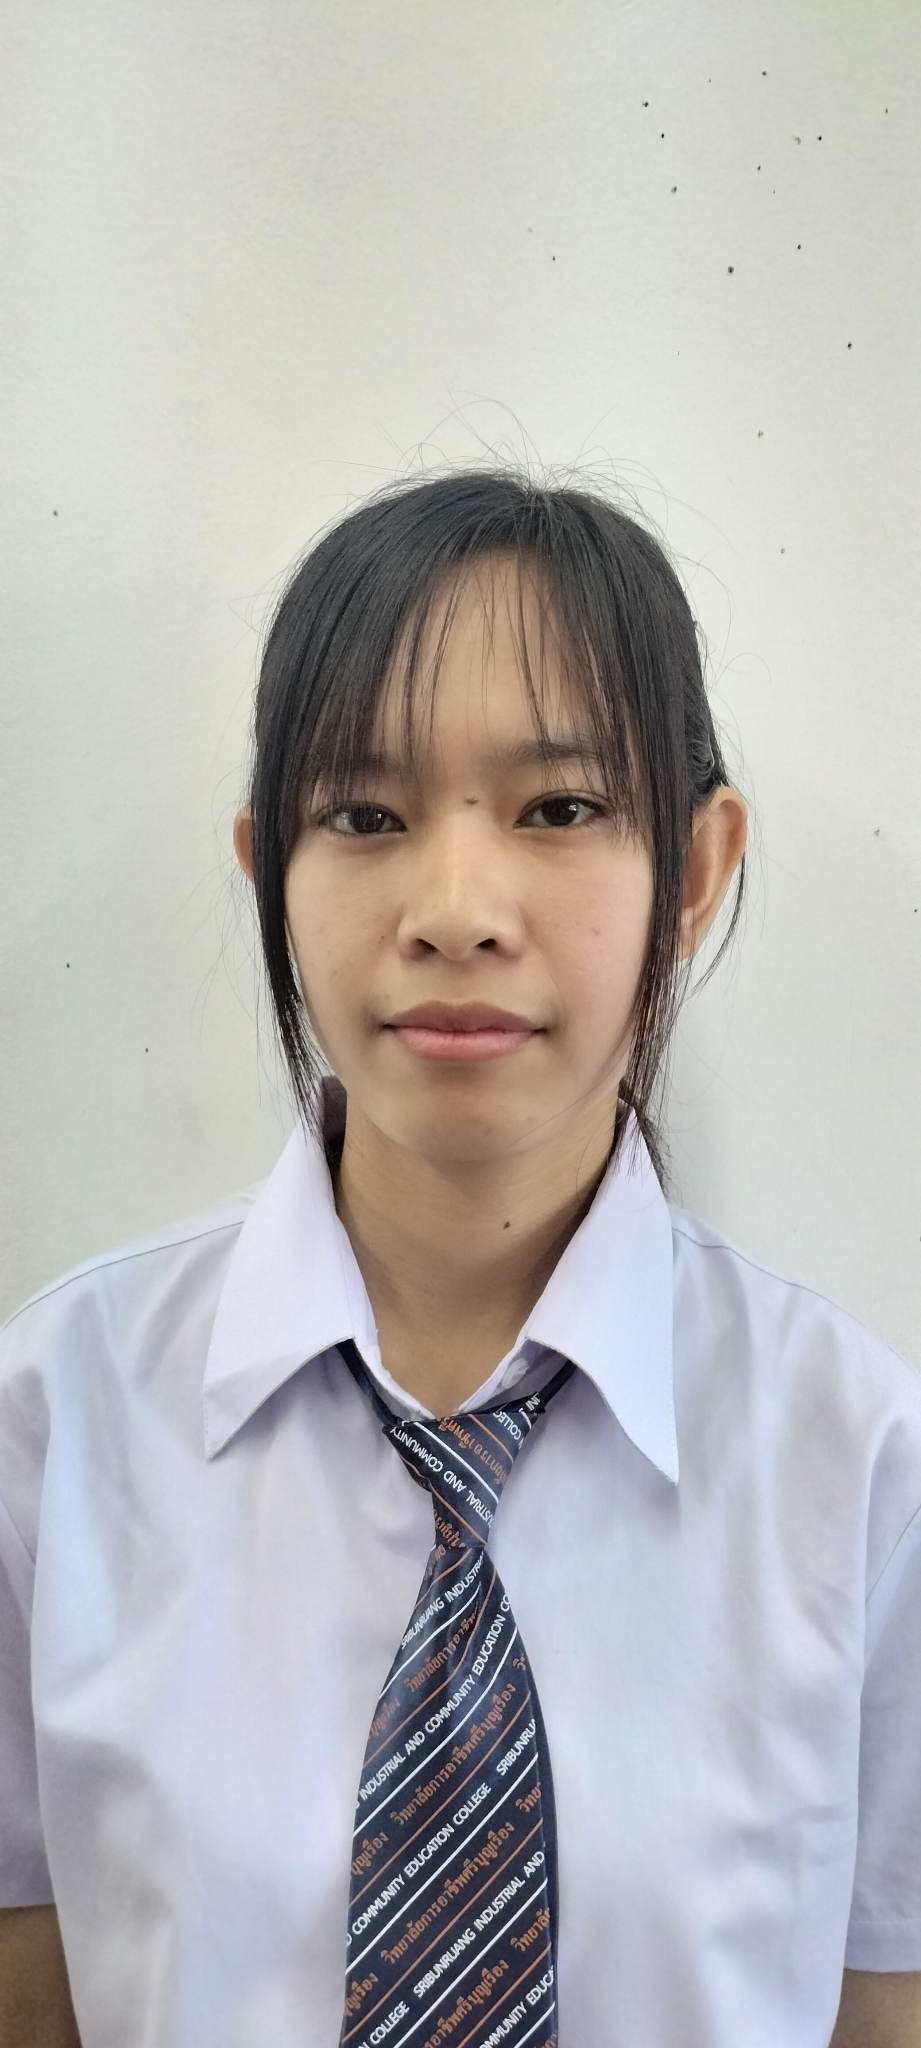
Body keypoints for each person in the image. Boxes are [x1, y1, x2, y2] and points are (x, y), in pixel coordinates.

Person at [1, 469, 919, 2048]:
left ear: (695, 868)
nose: (454, 910)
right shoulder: (55, 1422)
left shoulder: (857, 1457)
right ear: (268, 870)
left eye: (558, 809)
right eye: (363, 816)